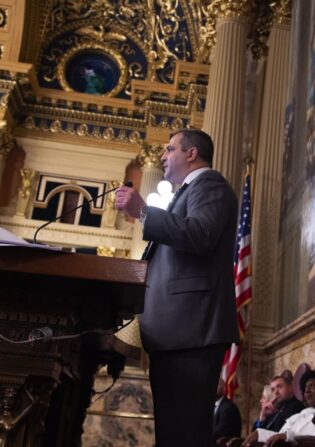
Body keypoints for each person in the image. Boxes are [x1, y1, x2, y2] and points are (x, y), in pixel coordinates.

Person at [114, 129, 239, 447]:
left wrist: (143, 211)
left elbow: (200, 234)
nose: (163, 156)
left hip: (191, 332)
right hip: (176, 332)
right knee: (172, 433)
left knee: (184, 434)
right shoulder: (184, 193)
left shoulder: (211, 184)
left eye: (170, 149)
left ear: (192, 154)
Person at [243, 371, 315, 446]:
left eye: (313, 386)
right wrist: (260, 433)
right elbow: (278, 435)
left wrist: (288, 437)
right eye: (306, 387)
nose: (307, 391)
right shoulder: (300, 413)